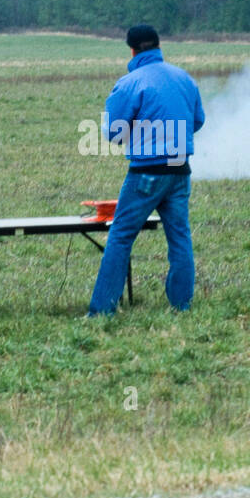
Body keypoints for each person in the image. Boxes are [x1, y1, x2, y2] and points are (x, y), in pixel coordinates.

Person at [88, 25, 205, 316]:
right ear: (157, 46)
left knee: (121, 236)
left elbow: (114, 132)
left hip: (147, 171)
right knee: (179, 235)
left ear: (131, 50)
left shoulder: (130, 83)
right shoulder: (184, 78)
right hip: (180, 167)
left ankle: (102, 310)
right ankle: (182, 305)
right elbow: (198, 120)